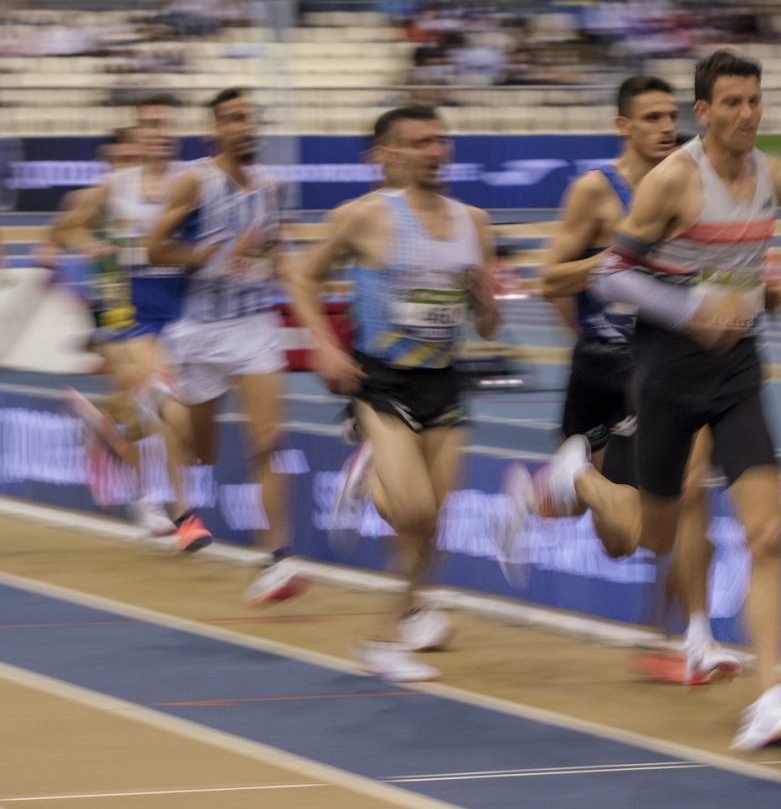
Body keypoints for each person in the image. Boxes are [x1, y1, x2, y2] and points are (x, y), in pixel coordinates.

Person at [514, 50, 781, 753]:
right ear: (704, 112)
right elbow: (614, 277)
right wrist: (691, 312)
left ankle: (770, 699)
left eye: (755, 101)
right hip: (666, 371)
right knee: (652, 536)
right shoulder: (675, 180)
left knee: (766, 533)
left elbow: (737, 261)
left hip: (737, 371)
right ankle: (578, 477)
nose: (746, 114)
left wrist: (761, 291)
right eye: (731, 103)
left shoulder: (771, 175)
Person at [502, 75, 740, 686]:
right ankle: (573, 478)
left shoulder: (692, 183)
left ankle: (693, 639)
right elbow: (550, 280)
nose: (666, 127)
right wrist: (611, 267)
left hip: (669, 364)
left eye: (671, 116)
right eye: (652, 117)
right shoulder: (595, 191)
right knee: (620, 539)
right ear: (623, 126)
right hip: (604, 370)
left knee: (692, 494)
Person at [294, 104, 501, 683]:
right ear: (391, 155)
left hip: (444, 379)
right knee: (412, 512)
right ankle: (383, 639)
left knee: (431, 520)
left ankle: (410, 609)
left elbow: (487, 326)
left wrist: (485, 304)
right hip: (381, 380)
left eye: (440, 141)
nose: (435, 151)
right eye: (418, 143)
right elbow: (301, 277)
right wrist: (326, 346)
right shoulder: (363, 217)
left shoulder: (475, 223)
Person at [146, 88, 307, 605]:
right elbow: (154, 247)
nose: (246, 126)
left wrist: (301, 278)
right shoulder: (195, 181)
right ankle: (158, 404)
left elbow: (275, 253)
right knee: (201, 454)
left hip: (254, 324)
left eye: (250, 117)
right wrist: (211, 258)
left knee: (268, 442)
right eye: (234, 119)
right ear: (214, 131)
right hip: (201, 331)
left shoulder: (272, 188)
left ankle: (276, 560)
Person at [47, 96, 209, 553]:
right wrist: (90, 247)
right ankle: (184, 515)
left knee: (150, 415)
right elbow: (68, 227)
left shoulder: (191, 182)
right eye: (150, 125)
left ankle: (107, 423)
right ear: (137, 135)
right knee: (167, 403)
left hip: (180, 310)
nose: (159, 132)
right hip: (126, 311)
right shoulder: (113, 187)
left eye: (166, 124)